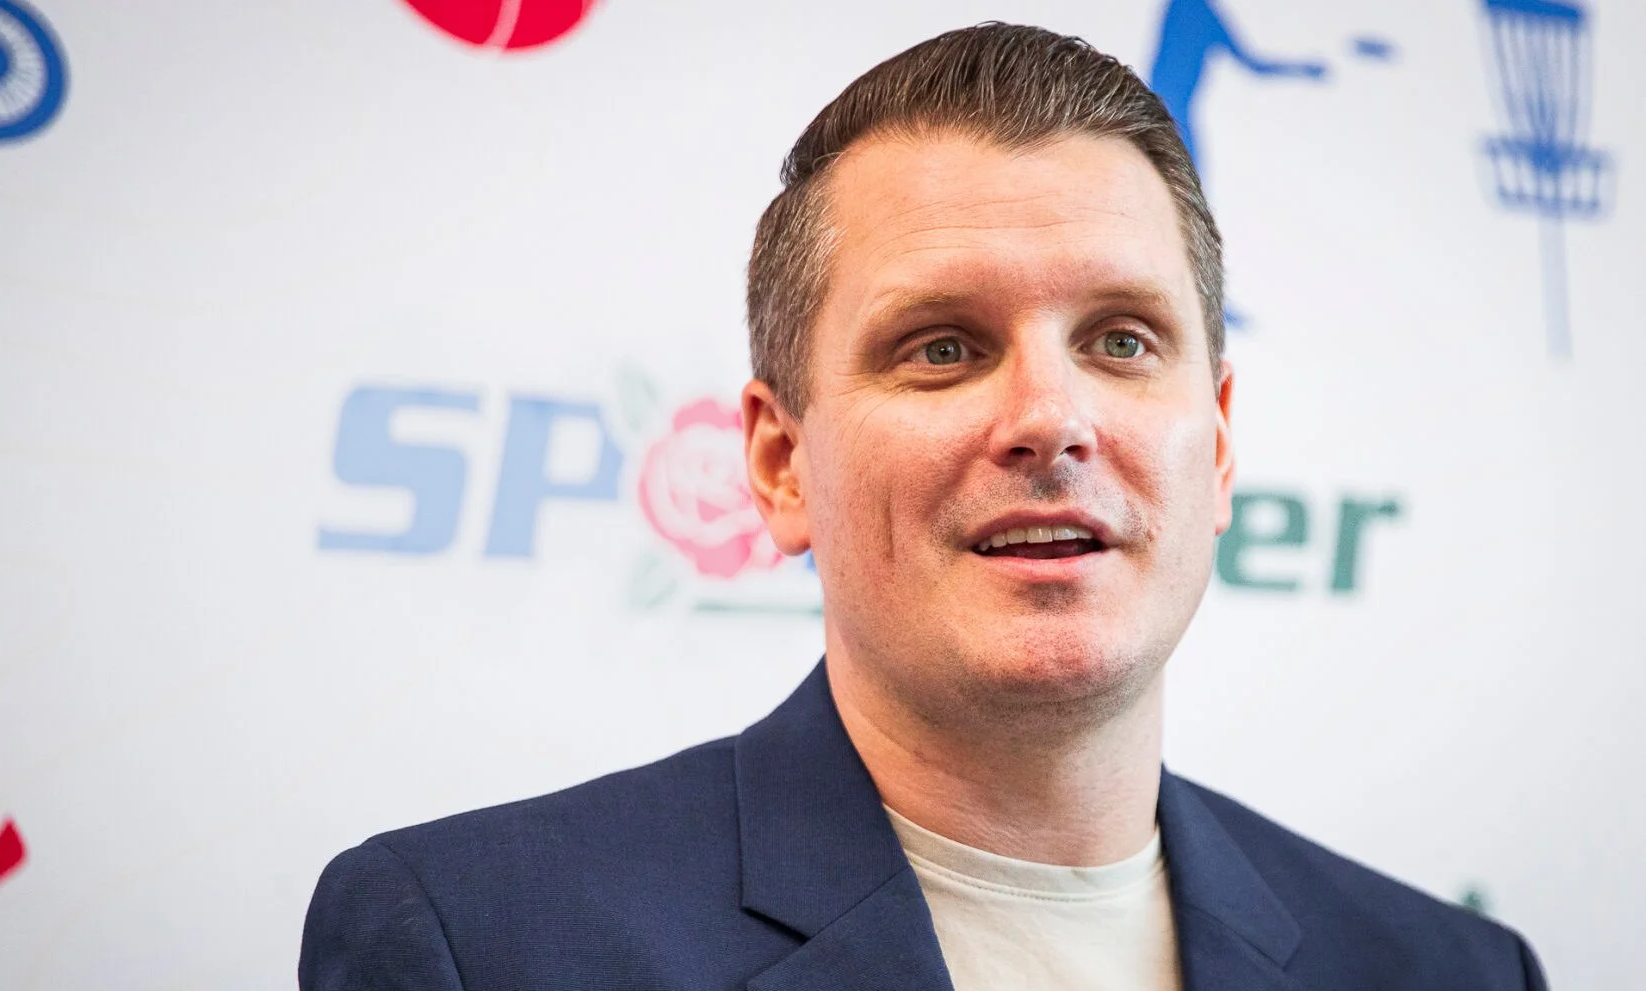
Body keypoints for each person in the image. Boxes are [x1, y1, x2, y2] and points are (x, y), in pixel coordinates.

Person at [300, 24, 1548, 991]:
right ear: (782, 464)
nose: (1050, 418)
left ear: (1214, 449)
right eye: (942, 348)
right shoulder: (475, 941)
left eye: (1119, 339)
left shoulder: (1448, 969)